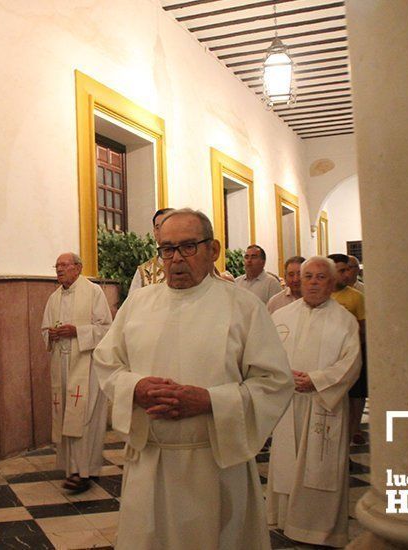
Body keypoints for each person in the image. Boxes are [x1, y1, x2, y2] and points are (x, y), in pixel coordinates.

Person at [93, 209, 293, 549]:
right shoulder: (139, 303)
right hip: (149, 461)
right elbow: (107, 362)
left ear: (212, 250)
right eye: (166, 249)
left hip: (215, 464)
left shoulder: (242, 306)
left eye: (187, 247)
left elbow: (274, 381)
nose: (175, 259)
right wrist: (136, 388)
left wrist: (211, 401)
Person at [266, 256, 362, 547]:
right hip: (288, 403)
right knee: (287, 464)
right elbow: (265, 355)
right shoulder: (281, 316)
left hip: (323, 405)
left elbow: (352, 362)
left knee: (319, 469)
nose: (313, 282)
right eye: (308, 277)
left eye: (321, 277)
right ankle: (285, 520)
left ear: (332, 283)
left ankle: (318, 530)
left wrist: (316, 380)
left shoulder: (344, 320)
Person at [41, 253, 113, 492]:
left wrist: (78, 332)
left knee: (84, 418)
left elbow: (106, 328)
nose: (59, 270)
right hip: (61, 364)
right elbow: (44, 329)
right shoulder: (54, 298)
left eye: (64, 265)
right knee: (66, 417)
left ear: (78, 268)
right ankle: (72, 469)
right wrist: (49, 334)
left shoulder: (93, 292)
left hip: (86, 365)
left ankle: (86, 471)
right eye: (57, 265)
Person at [328, 253, 368, 445]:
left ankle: (353, 429)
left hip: (353, 354)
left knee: (356, 395)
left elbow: (363, 327)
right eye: (341, 270)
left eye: (347, 270)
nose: (346, 275)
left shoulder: (357, 297)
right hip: (329, 356)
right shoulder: (324, 296)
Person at [128, 208, 174, 295]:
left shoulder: (193, 266)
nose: (162, 231)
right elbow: (133, 306)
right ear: (154, 232)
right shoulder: (143, 272)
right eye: (157, 227)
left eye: (167, 225)